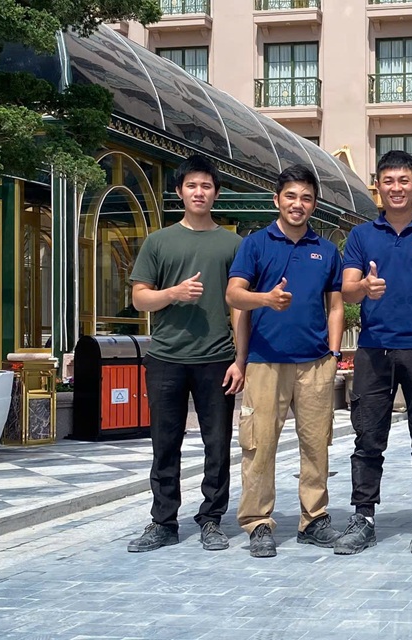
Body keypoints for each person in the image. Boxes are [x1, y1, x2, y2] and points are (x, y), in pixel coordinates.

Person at [332, 150, 412, 556]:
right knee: (368, 436)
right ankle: (363, 518)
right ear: (378, 186)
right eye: (389, 181)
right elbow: (347, 290)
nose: (397, 188)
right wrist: (364, 289)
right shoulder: (362, 235)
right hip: (374, 350)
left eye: (404, 180)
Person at [127, 155, 245, 553]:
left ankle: (212, 519)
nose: (199, 192)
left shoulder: (232, 245)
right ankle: (163, 521)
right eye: (192, 185)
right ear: (179, 191)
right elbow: (139, 298)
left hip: (217, 357)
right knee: (165, 443)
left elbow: (239, 307)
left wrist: (240, 359)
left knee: (218, 443)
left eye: (206, 186)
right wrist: (173, 293)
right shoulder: (159, 242)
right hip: (166, 357)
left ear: (216, 193)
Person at [225, 165, 344, 558]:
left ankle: (315, 519)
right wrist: (266, 299)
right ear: (276, 199)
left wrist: (334, 353)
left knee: (317, 445)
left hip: (316, 363)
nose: (298, 204)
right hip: (265, 361)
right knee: (259, 446)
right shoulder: (255, 244)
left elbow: (335, 306)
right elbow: (234, 294)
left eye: (306, 198)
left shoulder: (326, 250)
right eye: (291, 196)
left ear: (314, 204)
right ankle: (258, 522)